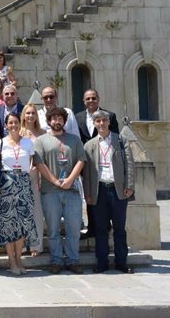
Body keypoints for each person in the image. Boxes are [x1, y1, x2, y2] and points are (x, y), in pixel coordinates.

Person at [34, 107, 85, 274]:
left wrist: (70, 180)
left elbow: (80, 161)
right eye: (53, 118)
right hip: (50, 191)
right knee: (53, 228)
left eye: (60, 118)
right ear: (48, 121)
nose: (57, 121)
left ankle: (73, 260)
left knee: (73, 227)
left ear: (64, 121)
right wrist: (55, 181)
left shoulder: (74, 140)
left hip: (72, 190)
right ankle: (56, 259)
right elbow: (40, 164)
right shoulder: (41, 141)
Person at [83, 110, 135, 274]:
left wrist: (130, 185)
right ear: (94, 124)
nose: (101, 124)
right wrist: (88, 193)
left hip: (117, 189)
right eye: (97, 121)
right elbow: (87, 173)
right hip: (99, 190)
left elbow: (130, 165)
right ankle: (102, 262)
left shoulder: (120, 140)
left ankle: (121, 262)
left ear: (108, 122)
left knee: (119, 228)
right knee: (100, 228)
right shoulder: (89, 145)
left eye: (103, 120)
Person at [0, 113, 39, 275]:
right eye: (10, 123)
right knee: (8, 224)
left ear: (20, 124)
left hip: (24, 184)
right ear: (6, 125)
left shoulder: (27, 142)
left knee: (21, 223)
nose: (13, 125)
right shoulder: (1, 143)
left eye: (16, 122)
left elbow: (34, 162)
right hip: (6, 184)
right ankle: (11, 260)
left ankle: (19, 259)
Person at [75, 88, 120, 240]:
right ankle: (92, 228)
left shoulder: (109, 116)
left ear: (98, 100)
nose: (91, 101)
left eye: (93, 98)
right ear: (83, 101)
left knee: (105, 196)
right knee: (90, 194)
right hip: (87, 162)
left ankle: (107, 227)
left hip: (106, 163)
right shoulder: (78, 117)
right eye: (88, 98)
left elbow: (116, 140)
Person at [20, 103, 46, 257]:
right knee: (23, 211)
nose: (30, 116)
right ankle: (22, 245)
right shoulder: (18, 133)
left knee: (36, 211)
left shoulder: (43, 134)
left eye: (33, 113)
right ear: (23, 115)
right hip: (21, 174)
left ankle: (36, 245)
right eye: (27, 113)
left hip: (38, 174)